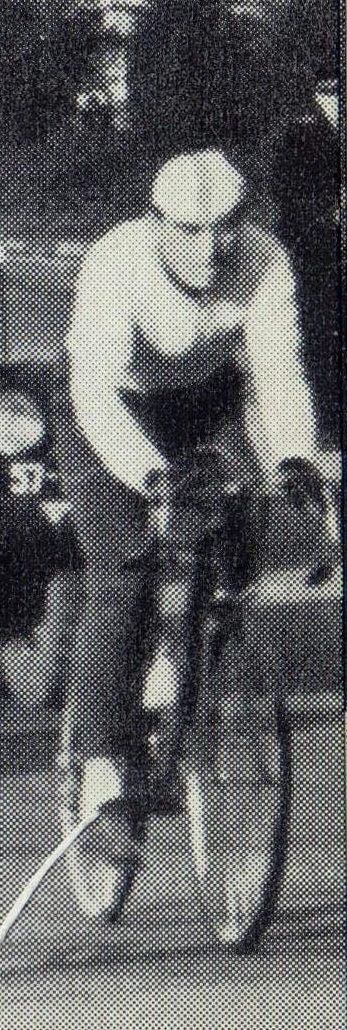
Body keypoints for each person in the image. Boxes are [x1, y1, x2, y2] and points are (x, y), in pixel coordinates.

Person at [60, 147, 327, 864]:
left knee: (240, 523)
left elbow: (276, 369)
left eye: (225, 228)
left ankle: (198, 653)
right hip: (109, 410)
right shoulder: (116, 262)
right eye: (187, 230)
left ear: (245, 223)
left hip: (202, 401)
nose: (209, 248)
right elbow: (93, 392)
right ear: (154, 224)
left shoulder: (264, 260)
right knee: (123, 576)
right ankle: (100, 771)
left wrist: (294, 456)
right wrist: (152, 476)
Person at [268, 79, 339, 444]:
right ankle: (325, 416)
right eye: (328, 89)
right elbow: (287, 192)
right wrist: (328, 215)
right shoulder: (299, 130)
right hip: (312, 253)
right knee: (317, 330)